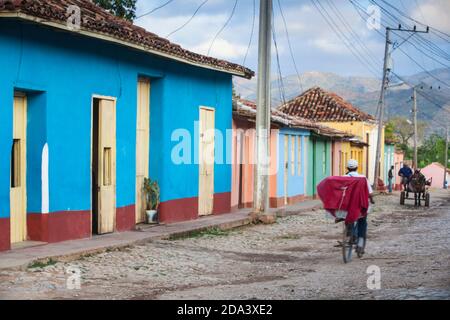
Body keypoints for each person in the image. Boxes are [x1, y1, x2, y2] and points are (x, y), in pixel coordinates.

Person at [345, 159, 375, 254]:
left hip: (348, 206)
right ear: (357, 168)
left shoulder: (343, 177)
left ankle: (351, 230)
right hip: (359, 206)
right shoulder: (363, 178)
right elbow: (370, 192)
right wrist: (372, 199)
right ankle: (360, 245)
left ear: (347, 168)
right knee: (362, 222)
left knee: (347, 217)